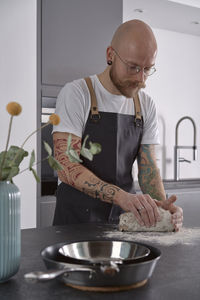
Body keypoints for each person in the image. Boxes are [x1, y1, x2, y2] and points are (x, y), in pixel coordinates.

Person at [52, 19, 183, 231]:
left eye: (147, 69)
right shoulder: (77, 93)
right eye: (133, 67)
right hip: (74, 224)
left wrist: (163, 207)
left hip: (122, 224)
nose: (141, 79)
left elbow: (148, 170)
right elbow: (66, 166)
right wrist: (121, 196)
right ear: (110, 55)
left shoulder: (146, 105)